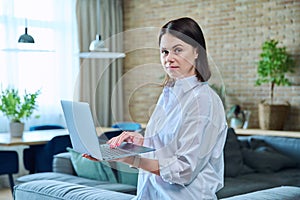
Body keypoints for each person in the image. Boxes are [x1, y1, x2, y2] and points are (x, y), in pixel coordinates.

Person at [84, 17, 228, 200]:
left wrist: (127, 158)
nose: (169, 58)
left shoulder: (203, 101)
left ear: (197, 51)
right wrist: (140, 142)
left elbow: (184, 170)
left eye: (178, 50)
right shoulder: (169, 93)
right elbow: (165, 146)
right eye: (164, 51)